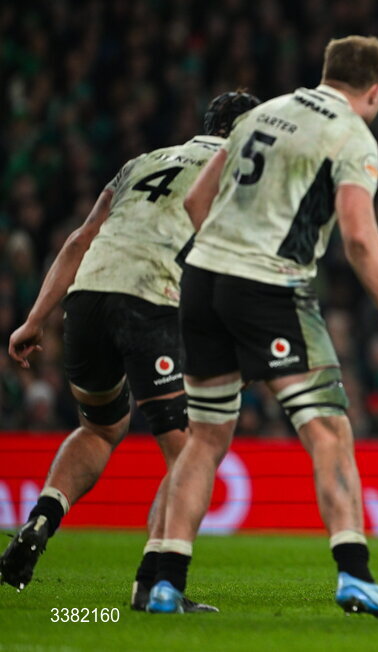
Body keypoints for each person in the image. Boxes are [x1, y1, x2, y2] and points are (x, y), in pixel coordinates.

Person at [145, 36, 378, 620]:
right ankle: (355, 574)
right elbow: (361, 236)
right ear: (377, 90)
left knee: (206, 437)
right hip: (269, 285)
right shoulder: (352, 135)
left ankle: (166, 581)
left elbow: (197, 201)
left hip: (201, 279)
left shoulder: (263, 112)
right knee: (328, 430)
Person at [1, 92, 260, 613]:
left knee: (100, 426)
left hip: (87, 300)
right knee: (190, 453)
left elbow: (80, 239)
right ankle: (155, 584)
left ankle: (41, 521)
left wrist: (34, 319)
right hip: (150, 300)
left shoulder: (142, 163)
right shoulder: (237, 169)